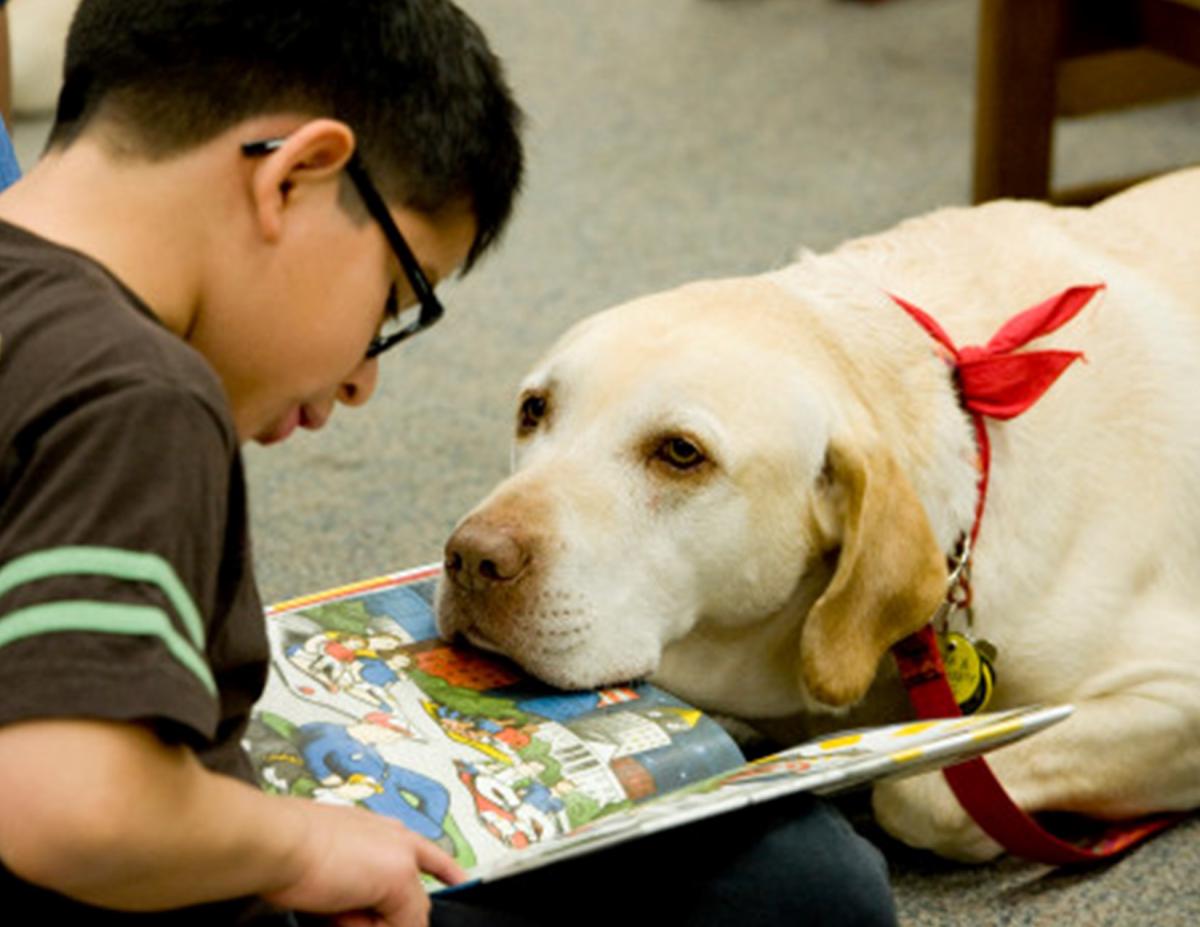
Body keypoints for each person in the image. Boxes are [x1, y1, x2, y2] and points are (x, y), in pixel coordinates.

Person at [0, 1, 897, 925]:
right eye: (393, 299)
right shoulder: (137, 400)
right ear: (299, 177)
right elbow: (65, 803)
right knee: (803, 885)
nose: (363, 379)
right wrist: (299, 843)